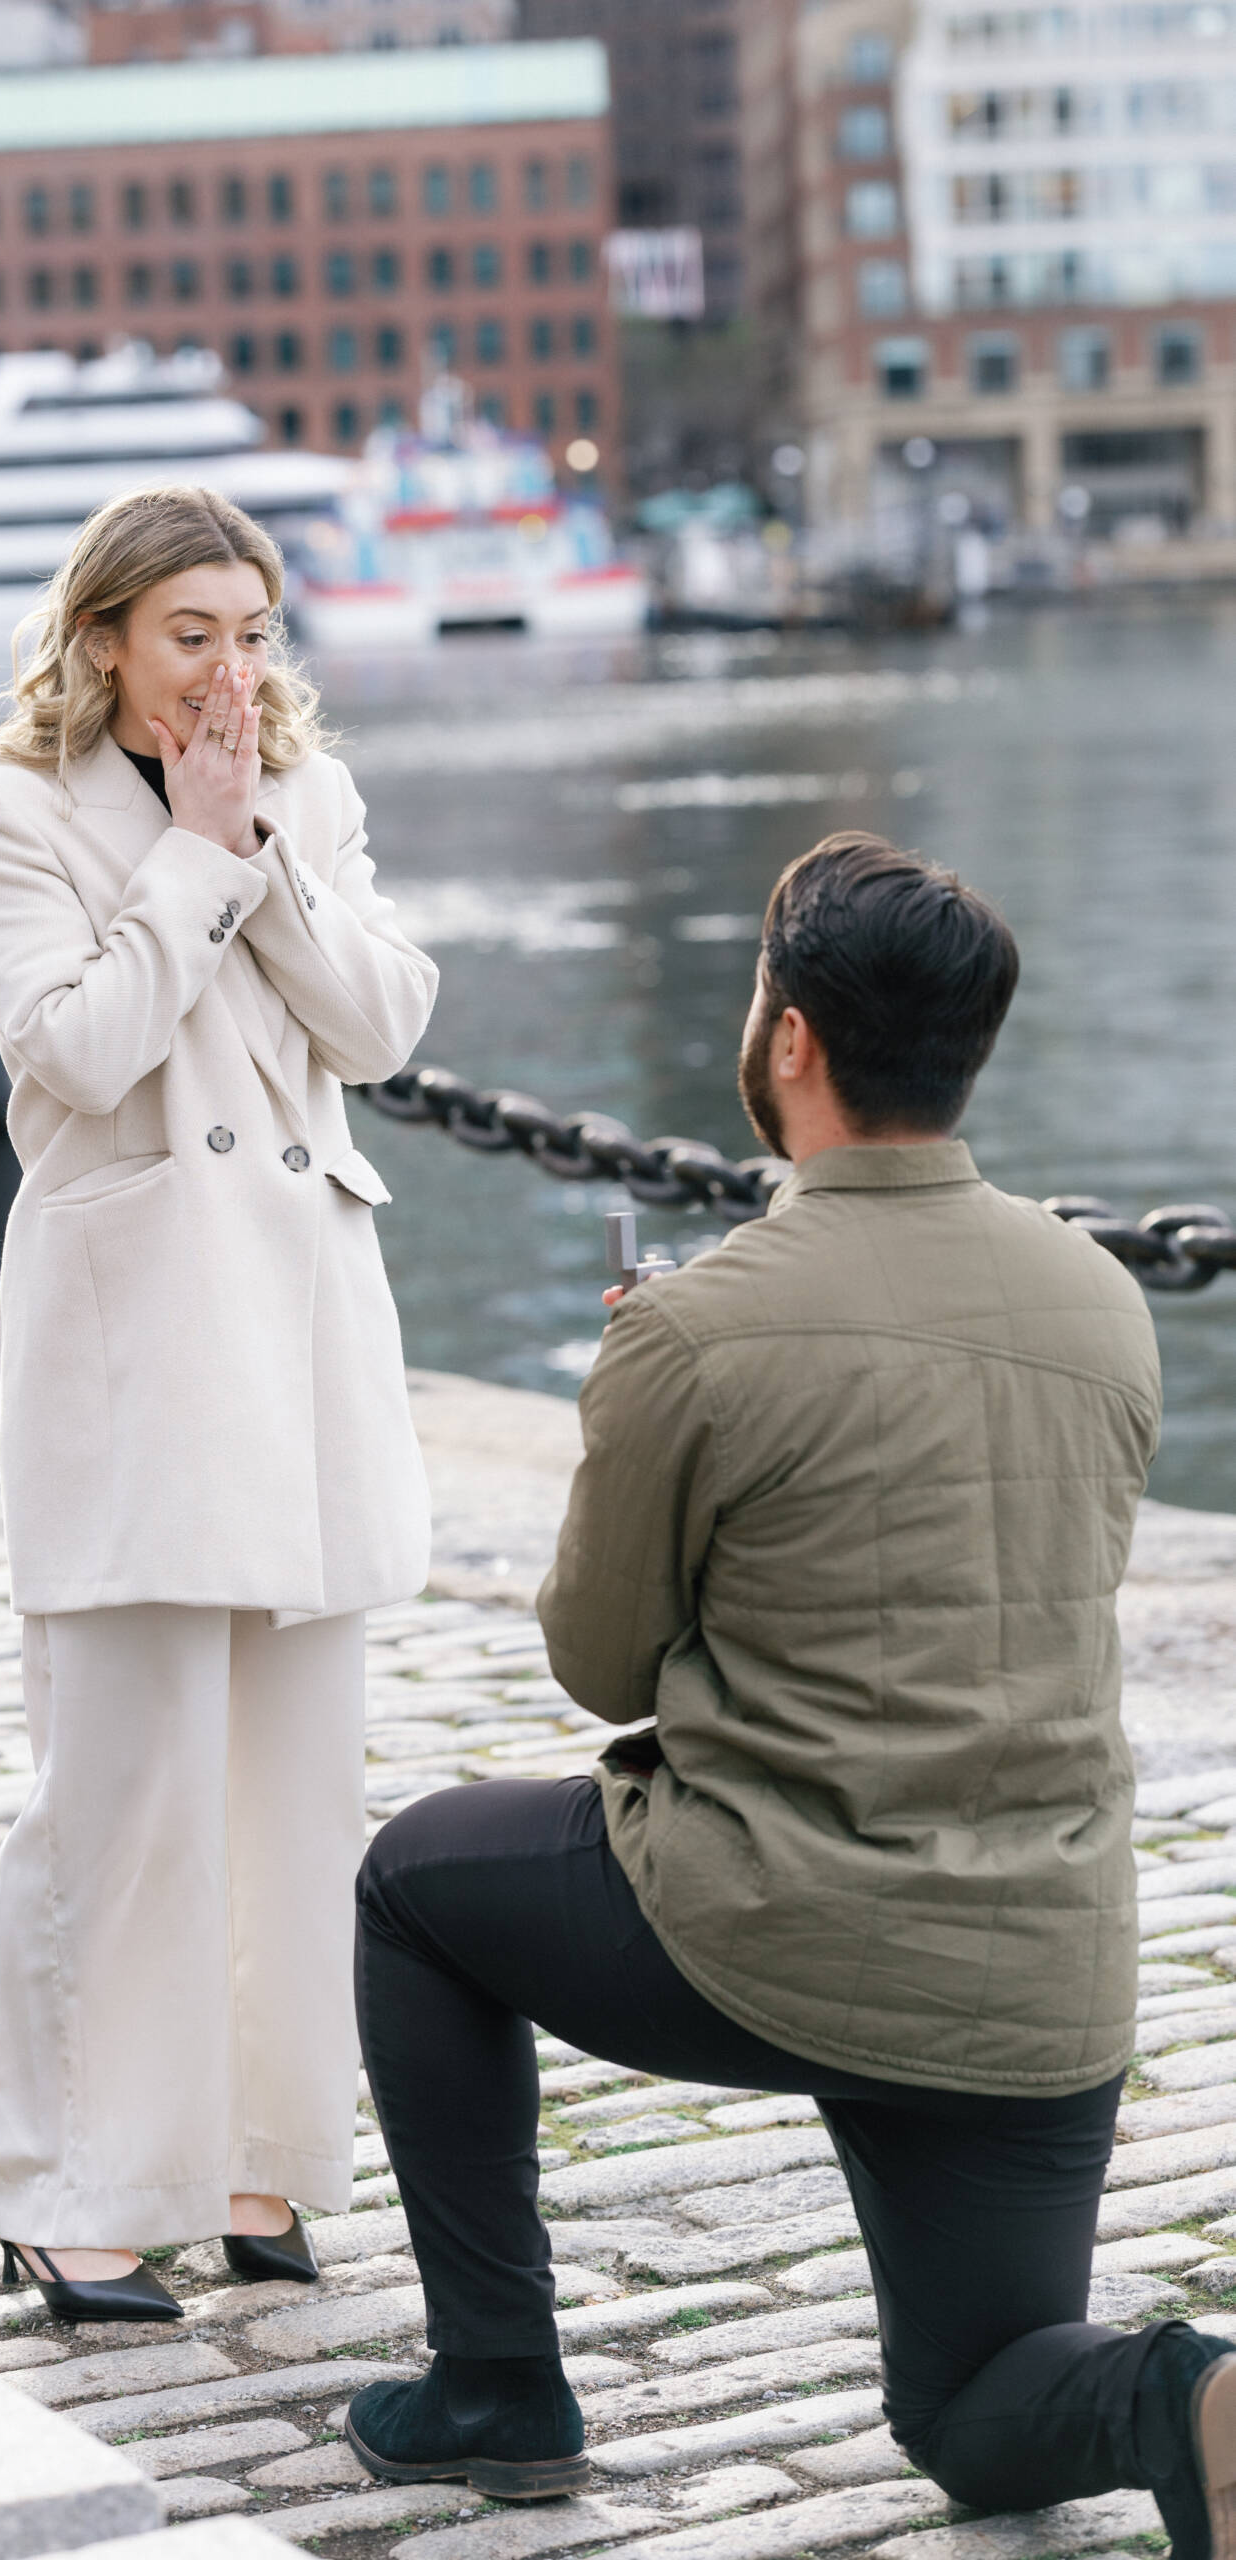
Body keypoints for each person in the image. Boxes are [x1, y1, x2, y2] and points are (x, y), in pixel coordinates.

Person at [346, 831, 1236, 2554]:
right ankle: (1184, 2395)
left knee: (412, 1885)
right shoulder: (1104, 1304)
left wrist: (654, 1403)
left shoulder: (696, 1332)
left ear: (795, 1042)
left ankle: (499, 2388)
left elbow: (598, 1660)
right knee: (979, 2420)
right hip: (1036, 1968)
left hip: (770, 1930)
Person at [0, 484, 436, 2322]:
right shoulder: (3, 809)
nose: (230, 672)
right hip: (139, 1347)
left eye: (252, 630)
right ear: (103, 644)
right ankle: (74, 2182)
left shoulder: (309, 791)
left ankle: (262, 2161)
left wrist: (260, 850)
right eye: (190, 636)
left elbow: (383, 1025)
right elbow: (72, 1046)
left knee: (297, 1793)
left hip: (298, 1339)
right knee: (124, 1793)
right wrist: (195, 861)